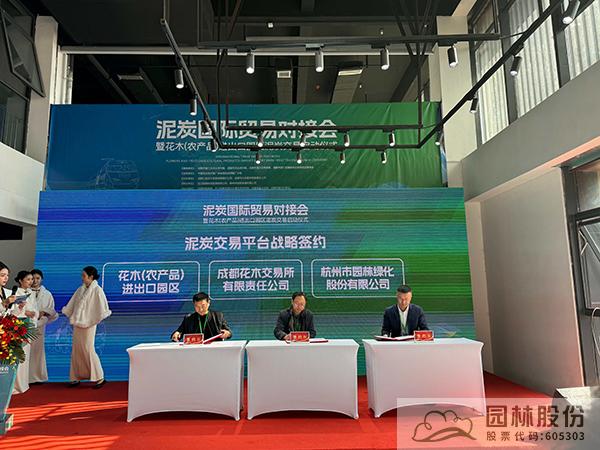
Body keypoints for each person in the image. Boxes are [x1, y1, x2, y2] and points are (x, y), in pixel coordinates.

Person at [62, 266, 111, 388]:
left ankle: (99, 377)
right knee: (77, 350)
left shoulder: (97, 290)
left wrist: (92, 318)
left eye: (84, 276)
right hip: (78, 324)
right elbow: (73, 303)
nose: (82, 278)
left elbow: (102, 307)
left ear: (91, 277)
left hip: (89, 324)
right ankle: (76, 377)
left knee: (88, 349)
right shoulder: (80, 289)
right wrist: (71, 314)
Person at [29, 269, 59, 384]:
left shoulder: (47, 294)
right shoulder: (25, 292)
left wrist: (43, 313)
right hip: (27, 325)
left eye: (38, 278)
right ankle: (26, 378)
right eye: (33, 278)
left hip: (40, 326)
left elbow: (52, 310)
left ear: (41, 279)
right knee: (27, 351)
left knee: (38, 351)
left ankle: (38, 377)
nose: (35, 281)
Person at [12, 270, 39, 394]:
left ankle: (24, 383)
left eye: (31, 279)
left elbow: (35, 309)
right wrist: (24, 312)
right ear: (20, 280)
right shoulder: (15, 292)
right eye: (28, 279)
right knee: (19, 354)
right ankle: (16, 384)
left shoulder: (31, 293)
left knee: (26, 355)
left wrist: (34, 313)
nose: (31, 282)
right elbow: (12, 311)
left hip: (28, 326)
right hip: (19, 326)